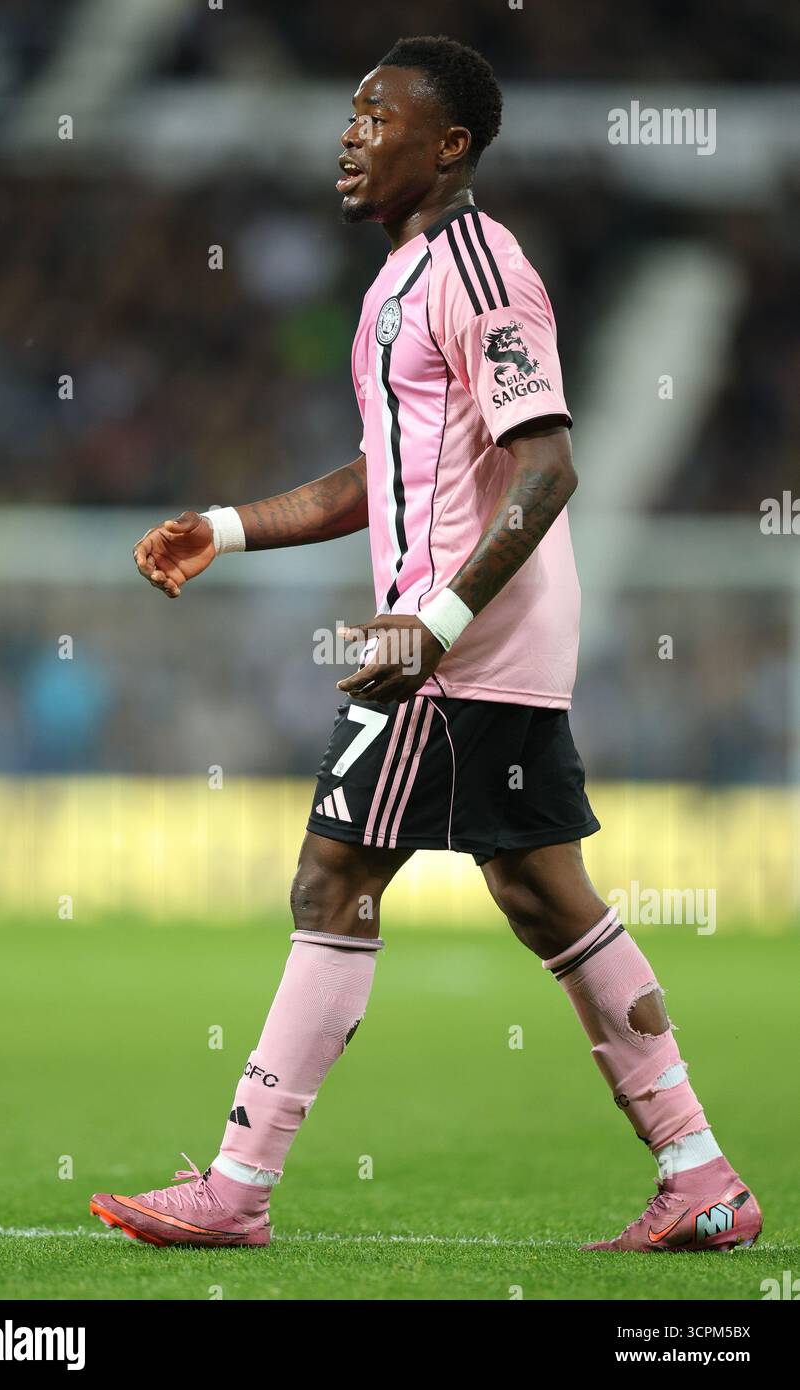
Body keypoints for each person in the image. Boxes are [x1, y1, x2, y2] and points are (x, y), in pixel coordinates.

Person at [91, 36, 761, 1254]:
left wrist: (435, 622)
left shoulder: (478, 269)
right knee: (540, 892)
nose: (349, 135)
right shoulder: (400, 280)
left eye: (375, 115)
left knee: (331, 879)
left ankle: (238, 1186)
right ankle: (699, 1174)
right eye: (347, 114)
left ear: (447, 145)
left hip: (454, 642)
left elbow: (547, 468)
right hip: (461, 635)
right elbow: (386, 473)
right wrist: (229, 528)